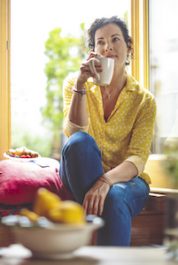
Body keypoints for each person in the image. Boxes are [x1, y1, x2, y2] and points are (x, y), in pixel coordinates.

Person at [59, 16, 156, 246]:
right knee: (80, 141)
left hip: (126, 180)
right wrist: (81, 85)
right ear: (94, 52)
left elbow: (137, 158)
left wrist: (105, 181)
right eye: (100, 42)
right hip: (80, 170)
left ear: (128, 47)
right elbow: (74, 132)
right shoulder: (75, 83)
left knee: (115, 197)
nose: (108, 47)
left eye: (115, 40)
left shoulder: (144, 101)